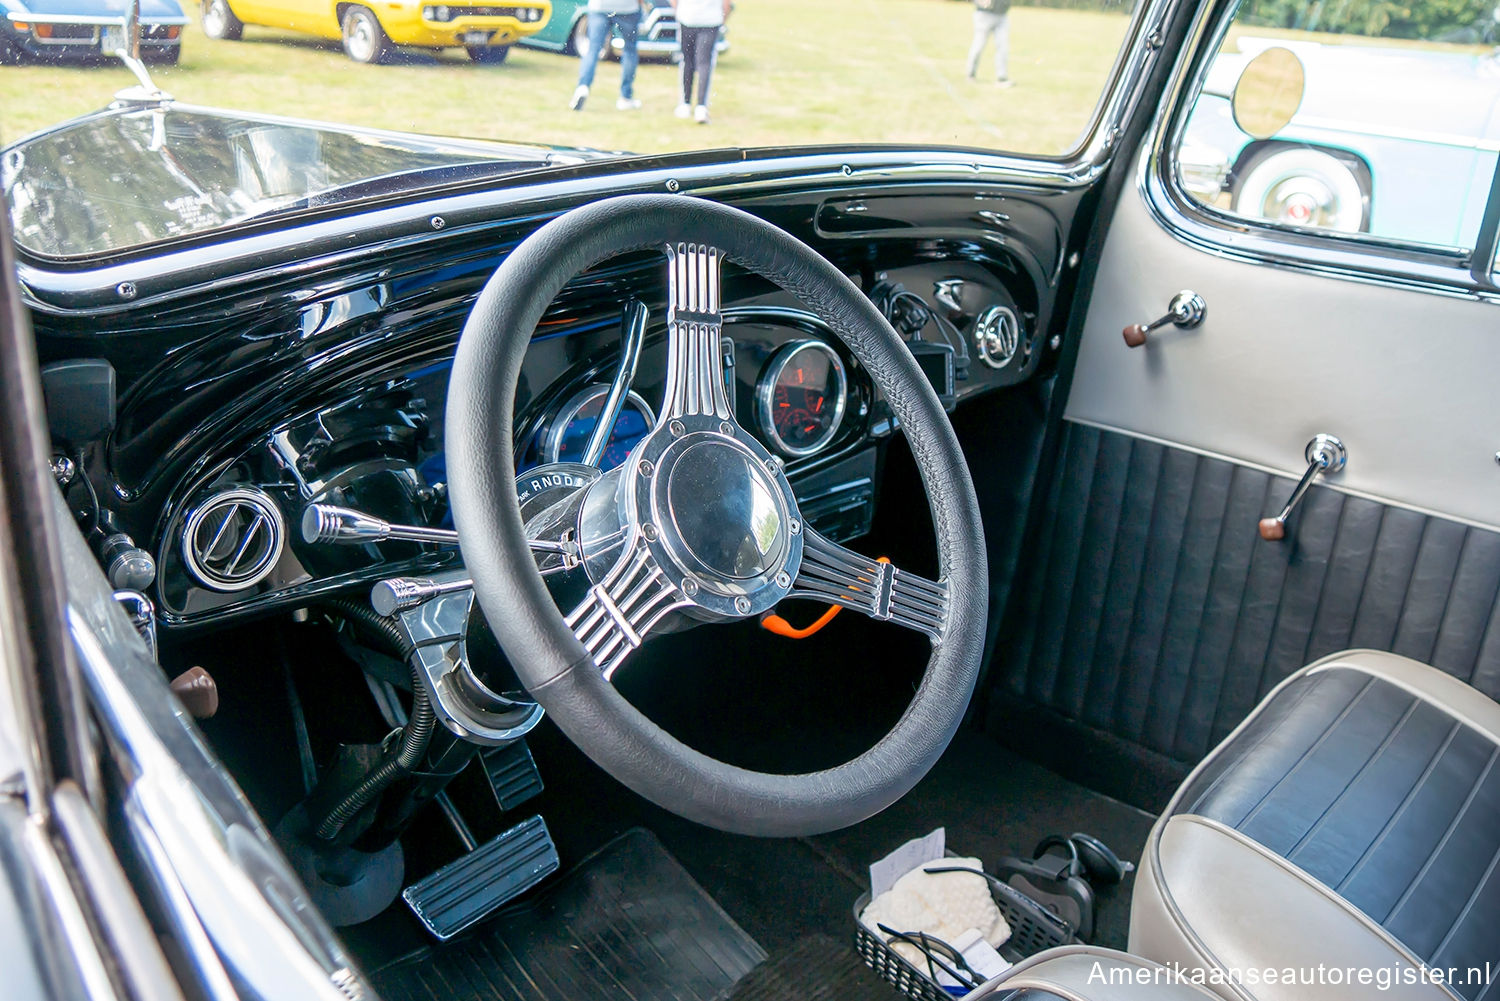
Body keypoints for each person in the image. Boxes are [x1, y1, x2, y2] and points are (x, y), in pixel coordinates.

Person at [569, 0, 645, 112]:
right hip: (628, 7)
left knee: (593, 49)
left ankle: (583, 86)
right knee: (629, 50)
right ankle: (625, 97)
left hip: (599, 6)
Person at [671, 0, 730, 124]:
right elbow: (726, 4)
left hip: (688, 18)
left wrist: (678, 11)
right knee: (704, 63)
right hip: (710, 20)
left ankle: (685, 104)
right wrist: (723, 18)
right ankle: (701, 106)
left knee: (688, 62)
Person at [966, 0, 1014, 88]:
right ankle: (971, 74)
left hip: (1002, 16)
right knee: (978, 46)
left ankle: (1002, 78)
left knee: (1003, 47)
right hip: (984, 15)